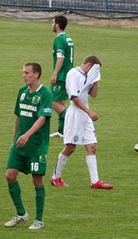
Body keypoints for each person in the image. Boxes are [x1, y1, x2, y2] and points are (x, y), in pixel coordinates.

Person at [50, 55, 113, 189]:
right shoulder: (73, 73)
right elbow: (73, 97)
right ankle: (55, 177)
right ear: (89, 66)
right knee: (70, 148)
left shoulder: (88, 76)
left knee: (92, 147)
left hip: (85, 116)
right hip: (75, 115)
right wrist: (89, 112)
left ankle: (95, 181)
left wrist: (96, 80)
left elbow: (94, 95)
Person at [4, 62, 52, 230]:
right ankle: (21, 214)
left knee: (36, 179)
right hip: (19, 144)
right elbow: (18, 116)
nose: (23, 75)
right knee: (10, 175)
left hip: (37, 146)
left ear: (36, 74)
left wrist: (27, 135)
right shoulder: (22, 92)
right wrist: (14, 138)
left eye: (27, 72)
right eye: (23, 72)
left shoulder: (45, 94)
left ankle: (39, 219)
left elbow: (42, 118)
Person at [49, 15, 74, 138]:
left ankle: (72, 121)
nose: (51, 24)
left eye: (53, 22)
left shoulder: (59, 39)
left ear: (57, 25)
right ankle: (62, 131)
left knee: (50, 100)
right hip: (69, 74)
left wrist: (55, 74)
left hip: (62, 75)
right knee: (61, 102)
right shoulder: (68, 37)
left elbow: (61, 57)